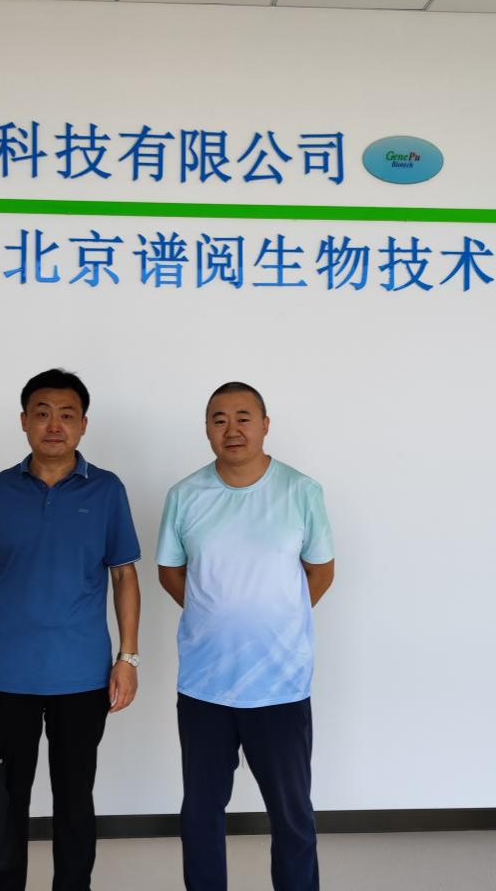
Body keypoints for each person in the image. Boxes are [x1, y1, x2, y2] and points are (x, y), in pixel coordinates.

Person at [0, 368, 142, 891]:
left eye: (66, 415)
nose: (54, 425)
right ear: (23, 421)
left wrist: (128, 658)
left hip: (82, 676)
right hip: (5, 675)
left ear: (83, 424)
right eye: (42, 413)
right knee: (4, 800)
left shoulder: (107, 490)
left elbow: (124, 576)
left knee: (75, 800)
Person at [157, 381, 334, 891]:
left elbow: (320, 571)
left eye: (243, 417)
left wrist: (277, 617)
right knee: (201, 814)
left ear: (265, 424)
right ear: (207, 429)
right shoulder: (185, 496)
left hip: (280, 684)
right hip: (205, 685)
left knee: (292, 815)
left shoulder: (301, 491)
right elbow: (171, 572)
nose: (231, 429)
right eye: (219, 419)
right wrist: (215, 614)